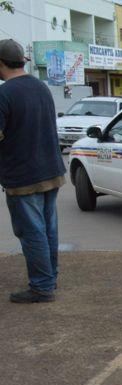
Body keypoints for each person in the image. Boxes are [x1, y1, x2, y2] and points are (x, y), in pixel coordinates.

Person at [0, 39, 66, 303]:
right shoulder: (41, 87)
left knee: (31, 231)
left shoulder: (5, 93)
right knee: (48, 228)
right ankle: (50, 278)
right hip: (50, 169)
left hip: (23, 175)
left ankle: (41, 286)